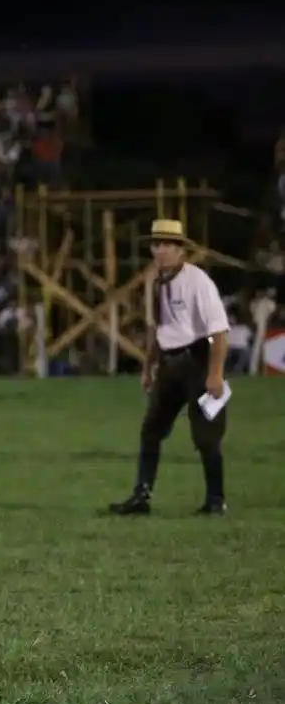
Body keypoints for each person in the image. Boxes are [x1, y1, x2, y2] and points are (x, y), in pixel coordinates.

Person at [109, 219, 231, 517]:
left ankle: (216, 500)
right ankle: (141, 495)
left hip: (198, 360)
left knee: (206, 435)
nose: (161, 250)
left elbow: (220, 332)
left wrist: (215, 374)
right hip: (169, 362)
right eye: (156, 245)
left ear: (181, 251)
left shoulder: (198, 282)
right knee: (151, 429)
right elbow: (157, 327)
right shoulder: (155, 281)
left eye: (167, 245)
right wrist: (148, 366)